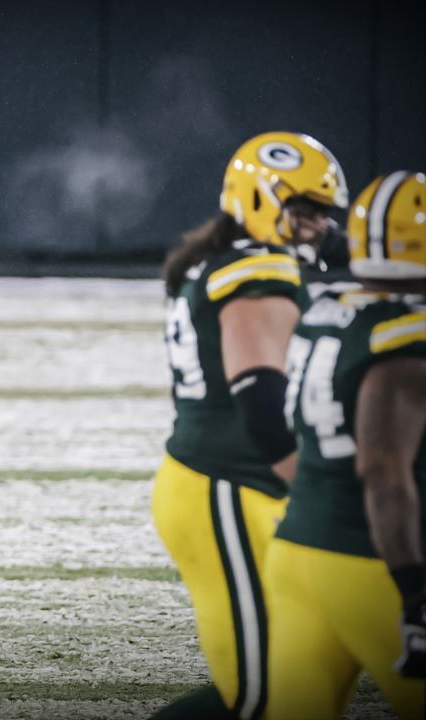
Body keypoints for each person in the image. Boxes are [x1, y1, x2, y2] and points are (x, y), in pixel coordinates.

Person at [151, 131, 347, 720]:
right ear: (261, 198)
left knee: (309, 685)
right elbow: (261, 399)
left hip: (238, 482)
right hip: (226, 486)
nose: (318, 226)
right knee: (267, 699)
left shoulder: (238, 261)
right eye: (305, 210)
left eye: (323, 214)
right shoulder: (255, 269)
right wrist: (319, 494)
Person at [264, 171, 426, 719]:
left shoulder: (324, 306)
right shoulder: (404, 335)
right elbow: (382, 468)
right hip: (368, 561)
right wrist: (414, 589)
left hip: (296, 549)